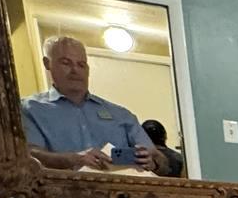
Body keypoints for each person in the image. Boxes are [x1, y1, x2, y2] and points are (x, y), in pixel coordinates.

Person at [21, 34, 165, 173]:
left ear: (88, 69)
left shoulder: (121, 115)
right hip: (62, 194)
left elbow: (161, 160)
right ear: (47, 64)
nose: (75, 70)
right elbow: (27, 155)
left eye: (81, 65)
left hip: (123, 193)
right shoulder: (30, 109)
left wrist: (153, 162)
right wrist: (74, 159)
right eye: (66, 63)